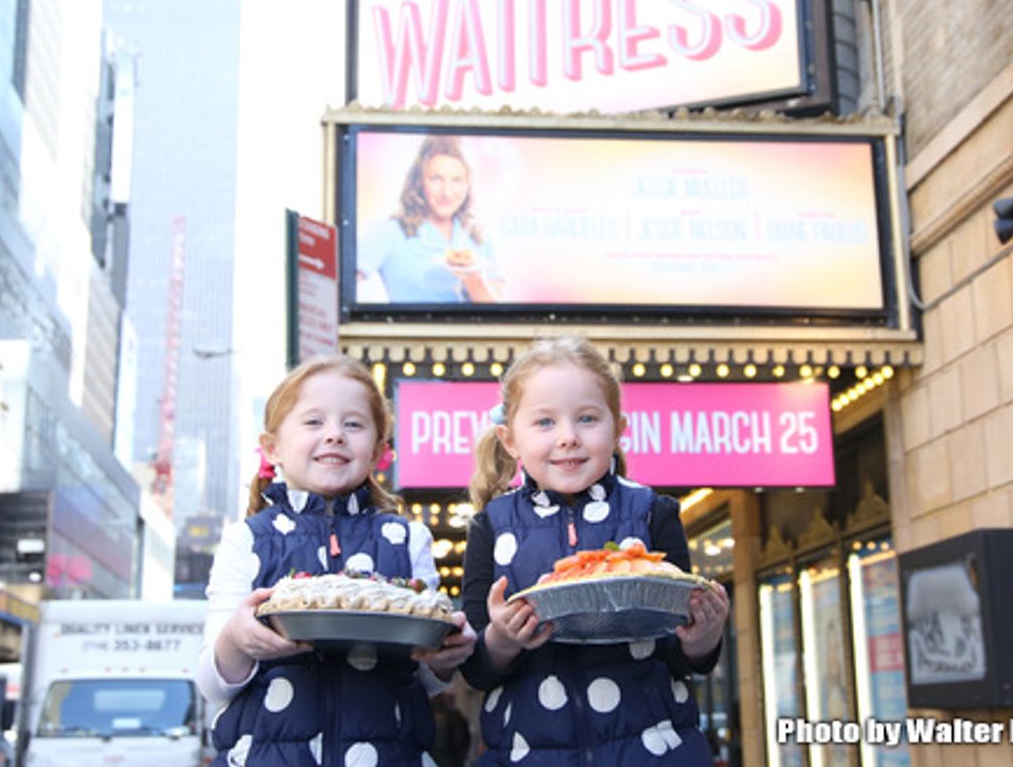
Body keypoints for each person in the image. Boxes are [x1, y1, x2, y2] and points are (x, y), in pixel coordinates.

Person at [459, 337, 729, 765]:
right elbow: (475, 667)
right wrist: (502, 639)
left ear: (618, 429)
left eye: (586, 418)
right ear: (510, 440)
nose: (568, 438)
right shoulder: (490, 525)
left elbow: (683, 656)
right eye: (545, 423)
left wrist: (703, 639)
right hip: (528, 753)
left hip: (654, 750)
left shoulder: (654, 513)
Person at [197, 355, 477, 766]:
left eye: (353, 424)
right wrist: (236, 640)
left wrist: (446, 655)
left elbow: (427, 679)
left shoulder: (408, 538)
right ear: (272, 448)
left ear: (379, 450)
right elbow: (212, 684)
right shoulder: (246, 540)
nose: (334, 435)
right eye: (313, 422)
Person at [356, 135, 501, 303]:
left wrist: (473, 278)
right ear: (419, 181)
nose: (446, 192)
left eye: (457, 180)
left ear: (468, 185)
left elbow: (498, 319)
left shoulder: (480, 239)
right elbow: (339, 288)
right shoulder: (388, 232)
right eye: (436, 179)